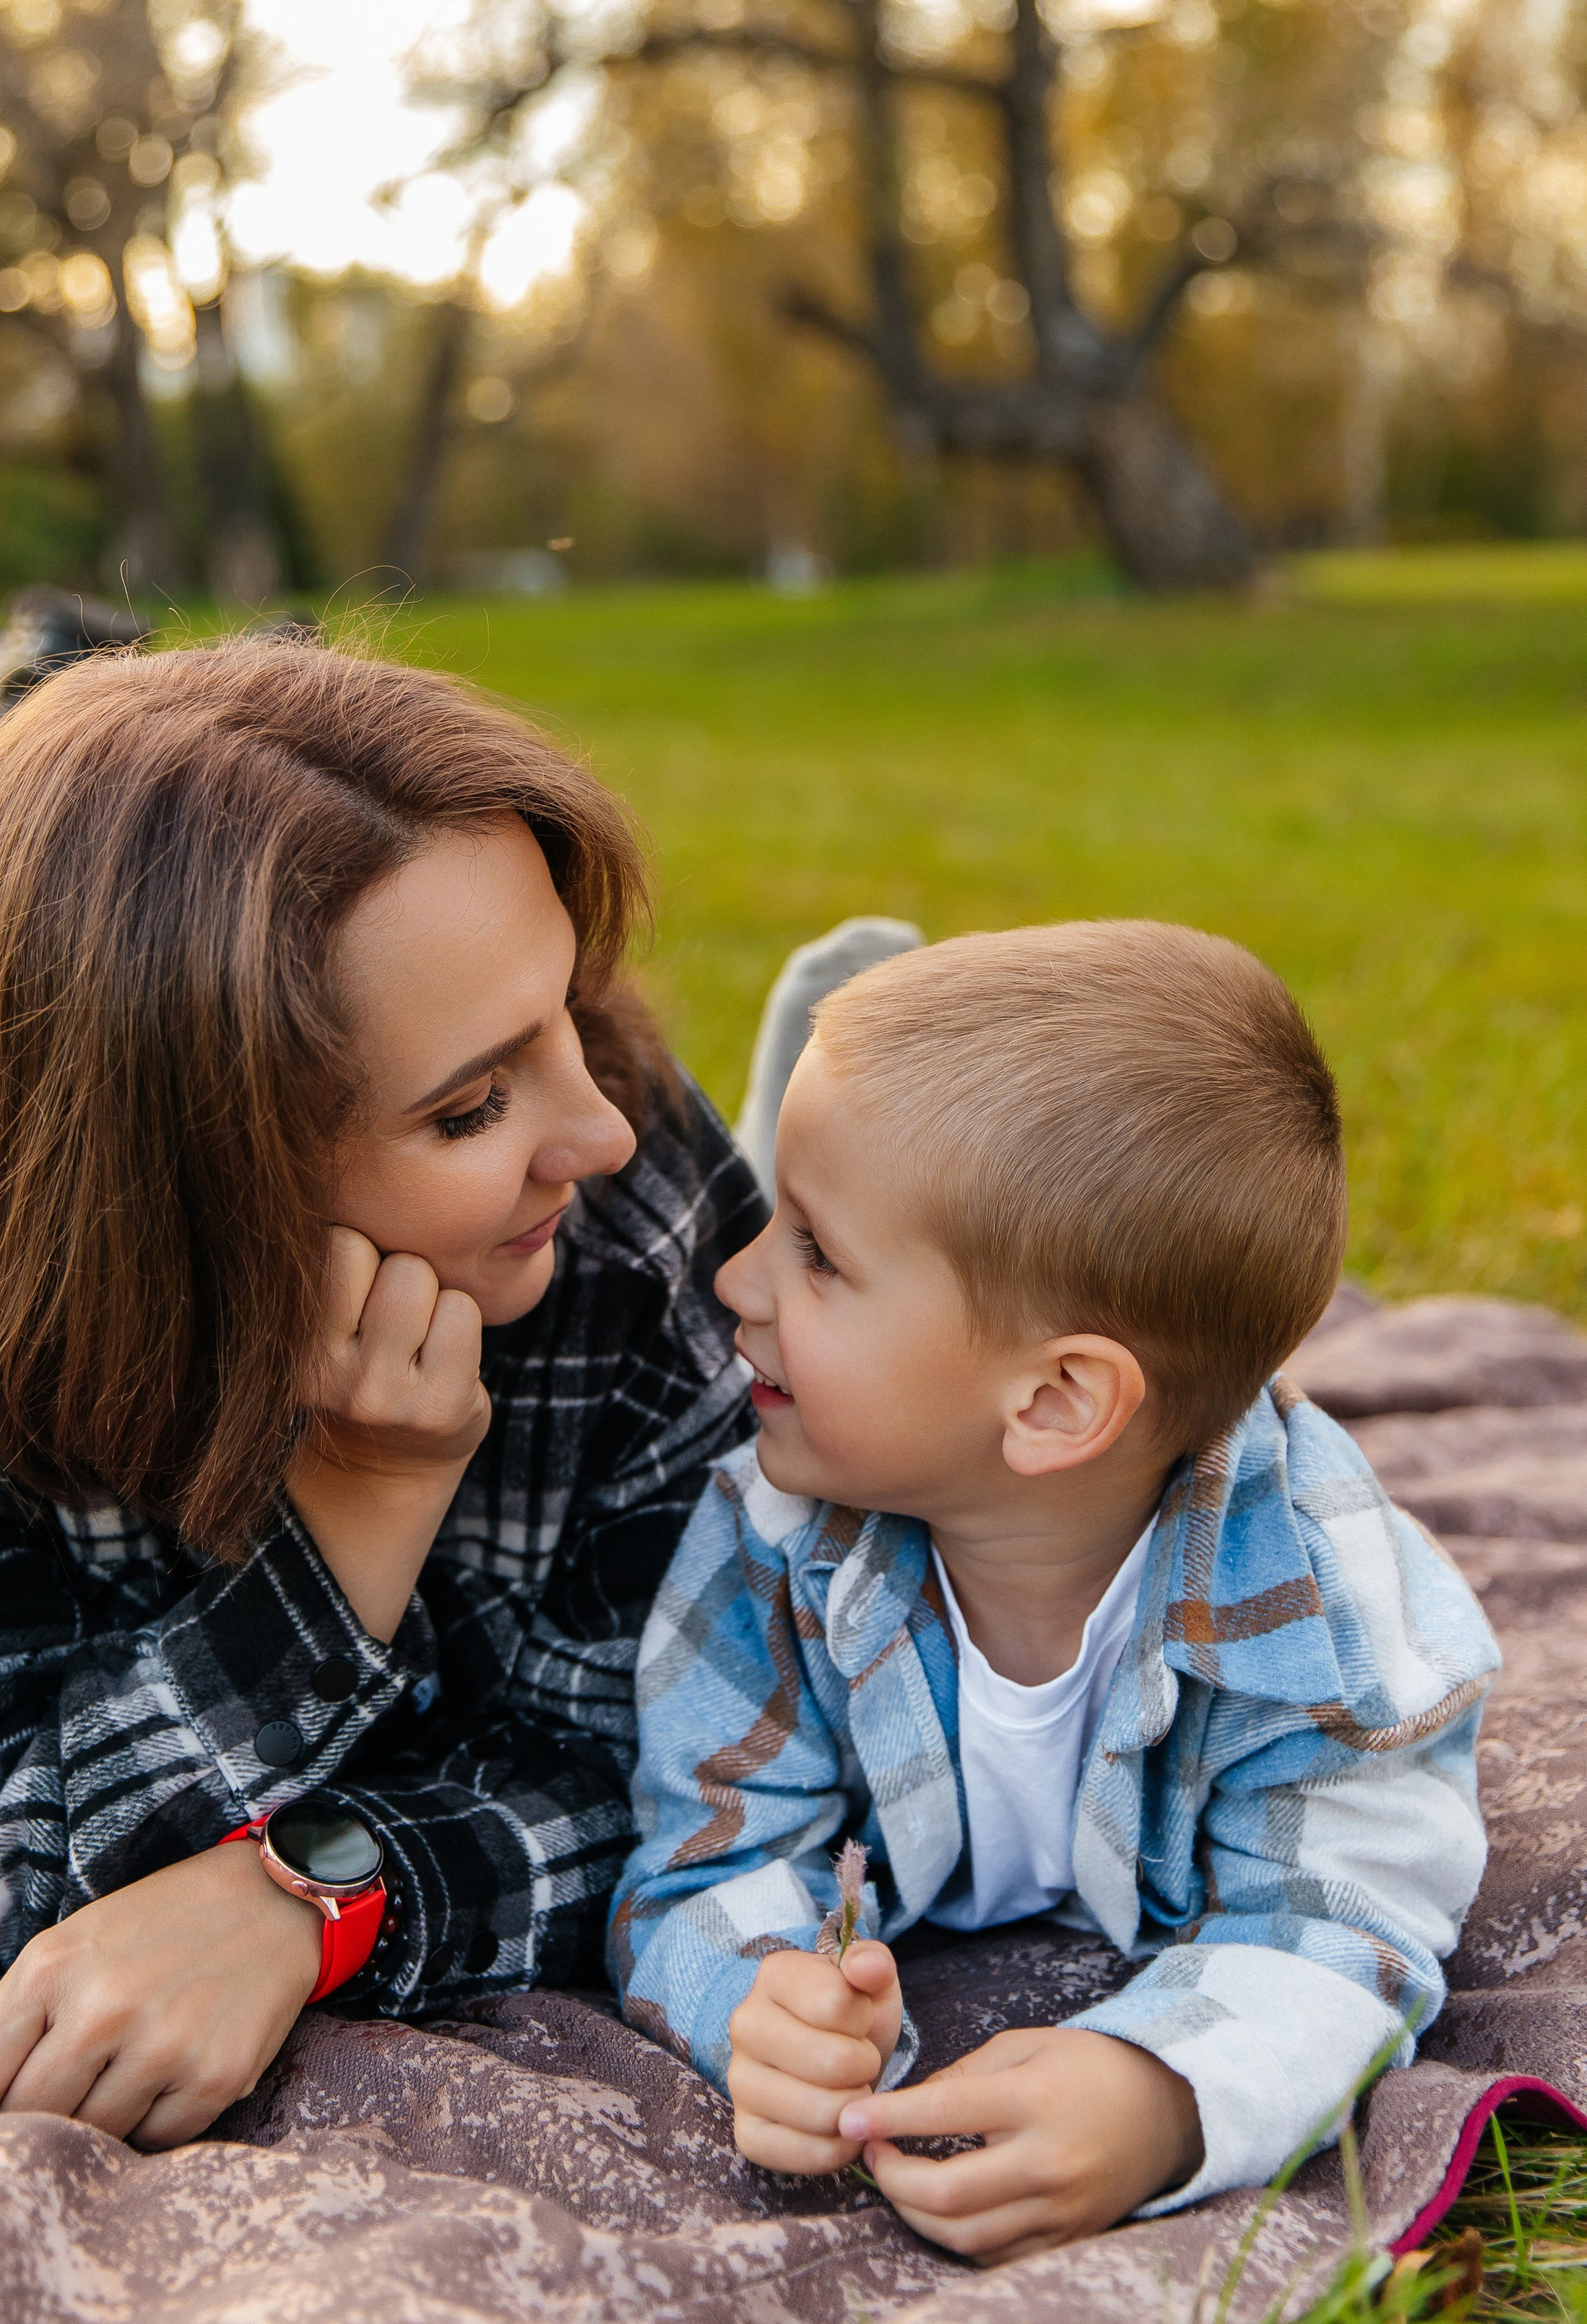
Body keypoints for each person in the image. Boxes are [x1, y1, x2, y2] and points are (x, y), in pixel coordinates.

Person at [0, 637, 763, 2148]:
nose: (597, 1128)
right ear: (195, 1180)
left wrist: (311, 1899)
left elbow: (704, 1759)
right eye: (471, 1103)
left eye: (568, 1004)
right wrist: (352, 1517)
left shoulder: (622, 1192)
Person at [610, 921, 1498, 2265]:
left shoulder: (1323, 1623)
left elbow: (1348, 1922)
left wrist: (1164, 2094)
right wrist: (765, 2004)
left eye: (815, 1254)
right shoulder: (771, 1533)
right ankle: (799, 1131)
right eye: (773, 1227)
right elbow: (702, 1857)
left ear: (1054, 1401)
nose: (733, 1280)